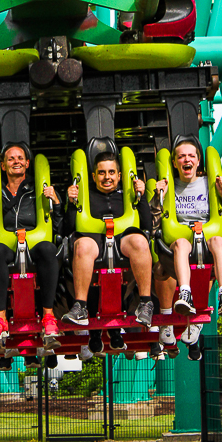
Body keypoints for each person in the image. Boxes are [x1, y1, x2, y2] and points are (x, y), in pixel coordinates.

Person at [151, 136, 222, 355]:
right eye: (181, 156)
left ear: (198, 161)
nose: (186, 160)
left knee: (218, 242)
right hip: (178, 247)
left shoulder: (210, 185)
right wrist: (158, 198)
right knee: (182, 244)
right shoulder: (169, 187)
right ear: (174, 163)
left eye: (191, 156)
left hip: (208, 247)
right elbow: (152, 223)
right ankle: (185, 293)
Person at [0, 143, 64, 364]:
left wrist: (57, 201)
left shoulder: (37, 190)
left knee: (48, 248)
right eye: (11, 158)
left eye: (20, 158)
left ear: (27, 163)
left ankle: (48, 316)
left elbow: (61, 227)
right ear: (3, 165)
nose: (16, 161)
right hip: (6, 244)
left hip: (34, 243)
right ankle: (0, 319)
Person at [62, 151, 154, 353]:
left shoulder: (127, 195)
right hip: (93, 240)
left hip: (123, 239)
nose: (107, 177)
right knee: (82, 245)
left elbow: (147, 227)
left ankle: (146, 303)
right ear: (94, 176)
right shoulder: (86, 195)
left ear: (120, 175)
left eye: (112, 172)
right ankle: (80, 306)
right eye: (102, 173)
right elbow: (67, 230)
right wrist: (70, 204)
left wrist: (143, 196)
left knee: (140, 240)